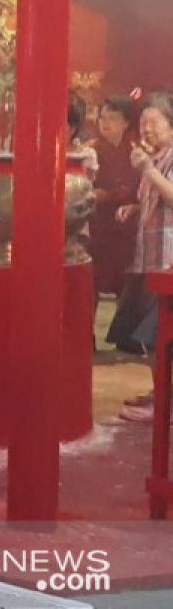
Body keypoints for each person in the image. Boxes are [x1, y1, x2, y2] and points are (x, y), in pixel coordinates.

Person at [109, 94, 173, 421]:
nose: (146, 129)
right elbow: (154, 202)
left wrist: (148, 169)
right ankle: (160, 394)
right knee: (150, 337)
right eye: (143, 123)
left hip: (168, 261)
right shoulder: (156, 158)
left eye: (154, 122)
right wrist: (132, 209)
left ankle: (166, 404)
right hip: (148, 257)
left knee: (161, 334)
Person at [89, 97, 140, 300]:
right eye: (102, 118)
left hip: (128, 231)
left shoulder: (136, 151)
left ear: (125, 123)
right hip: (100, 229)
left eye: (113, 118)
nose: (106, 123)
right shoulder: (91, 151)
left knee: (127, 290)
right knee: (92, 287)